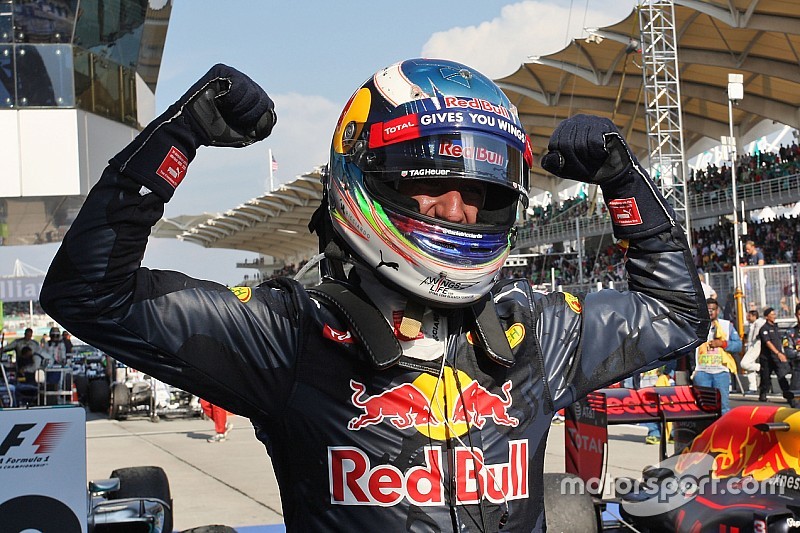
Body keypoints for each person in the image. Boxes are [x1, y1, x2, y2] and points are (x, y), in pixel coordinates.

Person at [40, 60, 707, 531]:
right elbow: (88, 294)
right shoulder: (289, 334)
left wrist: (626, 183)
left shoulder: (535, 332)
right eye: (431, 179)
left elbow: (676, 315)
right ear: (368, 177)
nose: (458, 208)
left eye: (479, 191)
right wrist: (178, 135)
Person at [692, 298, 741, 414]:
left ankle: (722, 430)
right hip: (702, 372)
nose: (710, 312)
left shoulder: (726, 325)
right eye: (707, 309)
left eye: (713, 309)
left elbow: (738, 345)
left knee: (723, 406)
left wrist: (722, 344)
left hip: (721, 372)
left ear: (717, 311)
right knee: (703, 407)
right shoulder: (697, 326)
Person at [758, 307, 792, 403]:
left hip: (776, 358)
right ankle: (763, 394)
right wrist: (778, 353)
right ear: (767, 317)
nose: (774, 316)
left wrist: (782, 353)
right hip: (767, 359)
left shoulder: (776, 327)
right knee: (765, 379)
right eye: (772, 314)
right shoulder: (764, 329)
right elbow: (768, 342)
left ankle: (789, 396)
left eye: (774, 314)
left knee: (781, 376)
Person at [783, 303, 800, 407]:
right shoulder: (790, 333)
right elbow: (789, 353)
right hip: (798, 372)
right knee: (795, 403)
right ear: (796, 315)